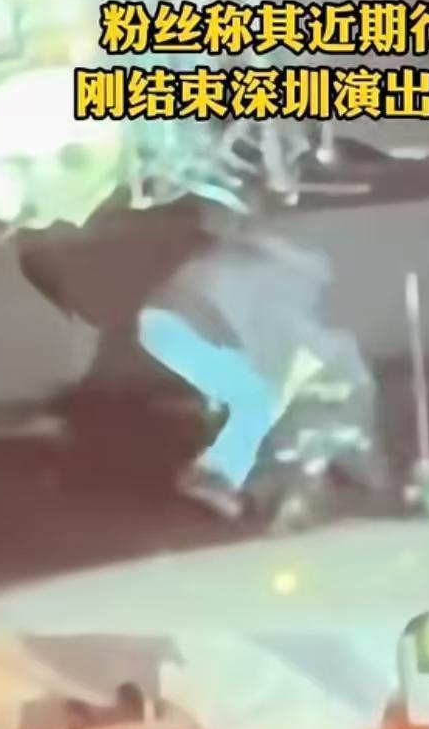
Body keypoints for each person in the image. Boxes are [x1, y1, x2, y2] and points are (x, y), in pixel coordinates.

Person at [137, 214, 384, 526]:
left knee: (253, 398)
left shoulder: (254, 272)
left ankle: (229, 477)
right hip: (179, 327)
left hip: (170, 324)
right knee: (256, 399)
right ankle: (214, 477)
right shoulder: (264, 284)